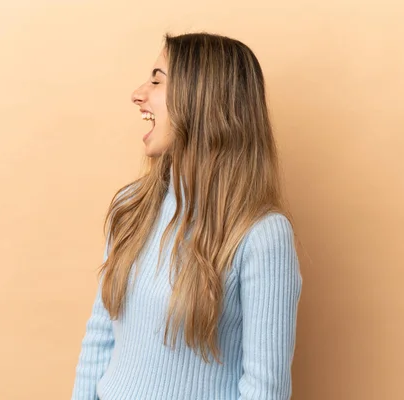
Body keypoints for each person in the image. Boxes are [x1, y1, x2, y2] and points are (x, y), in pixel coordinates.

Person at [71, 32, 303, 400]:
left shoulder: (261, 235)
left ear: (201, 100)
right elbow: (100, 336)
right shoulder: (131, 207)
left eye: (157, 80)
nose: (138, 94)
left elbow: (265, 390)